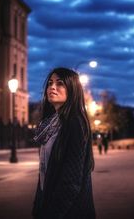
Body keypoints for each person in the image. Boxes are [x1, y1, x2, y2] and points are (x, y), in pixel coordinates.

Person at [32, 67, 96, 219]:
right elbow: (44, 171)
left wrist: (52, 214)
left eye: (59, 83)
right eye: (50, 83)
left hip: (70, 211)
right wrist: (38, 206)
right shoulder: (51, 124)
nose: (52, 87)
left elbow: (71, 181)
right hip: (47, 204)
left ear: (72, 89)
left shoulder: (75, 123)